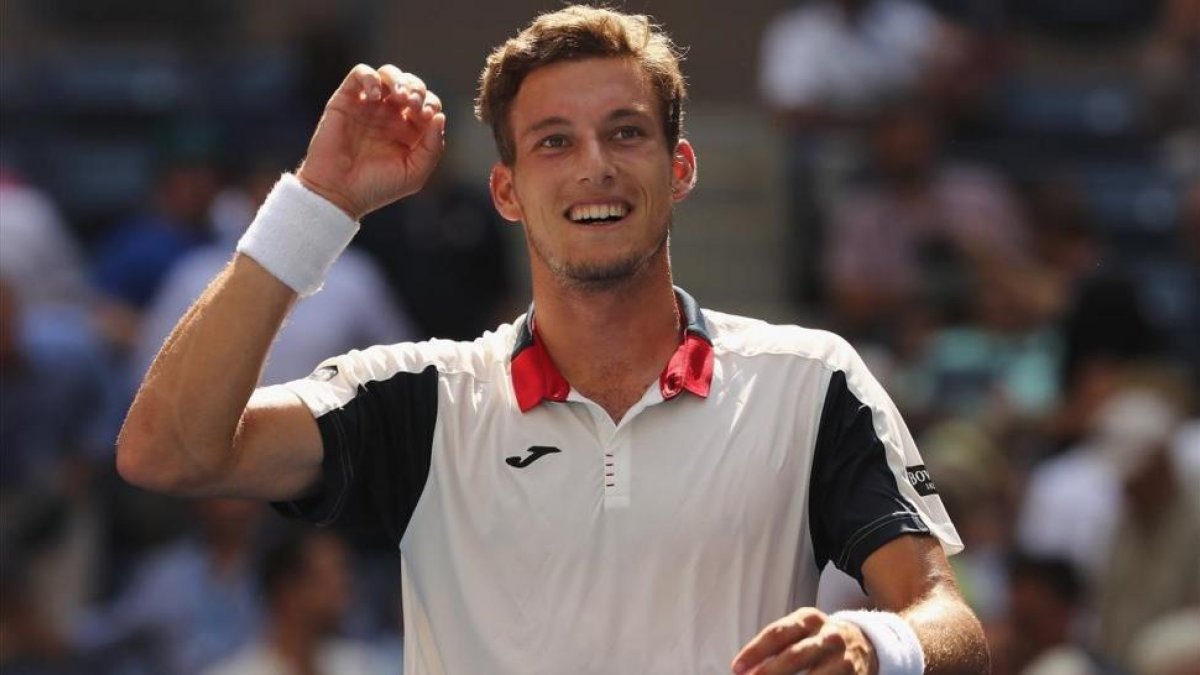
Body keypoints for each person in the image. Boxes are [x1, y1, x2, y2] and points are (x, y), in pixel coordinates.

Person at [117, 6, 988, 674]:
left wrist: (875, 644)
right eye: (554, 142)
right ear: (506, 190)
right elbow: (169, 452)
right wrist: (317, 204)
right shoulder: (421, 400)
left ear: (678, 168)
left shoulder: (810, 380)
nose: (594, 167)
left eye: (627, 132)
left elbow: (946, 615)